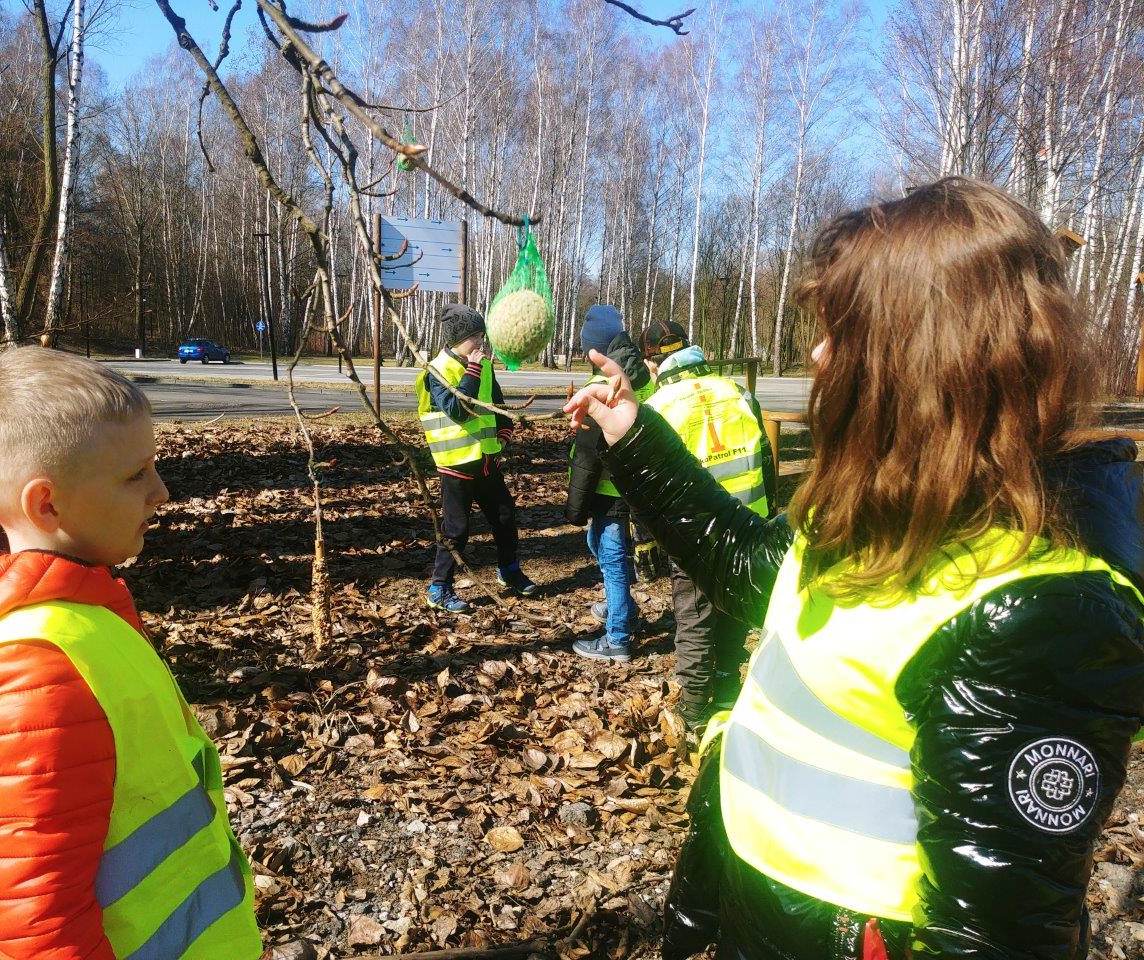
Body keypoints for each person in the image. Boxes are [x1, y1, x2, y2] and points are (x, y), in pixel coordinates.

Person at [564, 178, 1144, 960]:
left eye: (843, 331)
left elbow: (993, 935)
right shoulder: (889, 508)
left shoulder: (1045, 611)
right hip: (758, 908)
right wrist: (632, 436)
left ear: (928, 356)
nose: (817, 354)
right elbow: (748, 568)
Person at [0, 347, 262, 960]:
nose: (162, 492)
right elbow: (38, 924)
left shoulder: (83, 618)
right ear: (47, 505)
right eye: (135, 475)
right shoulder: (34, 675)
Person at [639, 319, 777, 727]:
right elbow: (766, 460)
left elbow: (646, 488)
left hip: (693, 535)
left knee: (694, 621)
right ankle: (728, 691)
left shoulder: (657, 408)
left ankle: (695, 711)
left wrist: (646, 540)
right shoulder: (739, 393)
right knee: (734, 610)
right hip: (748, 526)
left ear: (652, 364)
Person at [418, 303, 536, 612]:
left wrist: (506, 429)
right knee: (456, 529)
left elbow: (495, 402)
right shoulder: (438, 370)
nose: (480, 343)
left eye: (482, 336)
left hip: (486, 460)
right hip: (456, 465)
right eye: (475, 337)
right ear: (458, 338)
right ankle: (439, 587)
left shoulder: (483, 366)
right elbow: (458, 409)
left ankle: (508, 570)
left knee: (505, 516)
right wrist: (472, 369)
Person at [565, 305, 655, 661]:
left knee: (613, 560)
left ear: (594, 349)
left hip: (610, 491)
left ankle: (618, 637)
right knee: (600, 546)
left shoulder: (599, 387)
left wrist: (575, 507)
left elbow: (586, 458)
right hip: (639, 485)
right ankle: (623, 608)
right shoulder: (642, 379)